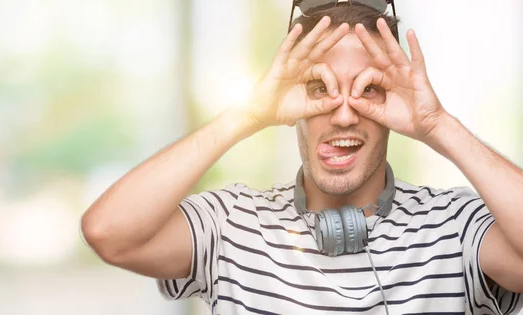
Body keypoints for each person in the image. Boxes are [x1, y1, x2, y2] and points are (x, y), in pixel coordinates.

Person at [80, 1, 523, 314]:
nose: (345, 113)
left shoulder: (455, 224)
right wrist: (249, 115)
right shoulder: (232, 222)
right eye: (319, 89)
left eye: (369, 89)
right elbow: (108, 232)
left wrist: (437, 124)